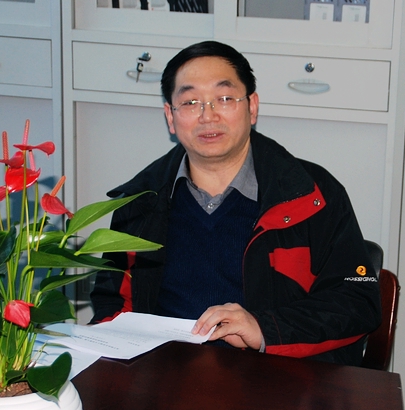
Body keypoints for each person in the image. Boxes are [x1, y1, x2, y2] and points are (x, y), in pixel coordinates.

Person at [90, 40, 381, 366]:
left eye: (224, 99)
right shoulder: (140, 202)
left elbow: (358, 301)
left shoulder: (312, 194)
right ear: (170, 117)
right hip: (165, 380)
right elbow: (112, 305)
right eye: (190, 102)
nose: (208, 116)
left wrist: (264, 329)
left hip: (280, 382)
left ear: (252, 107)